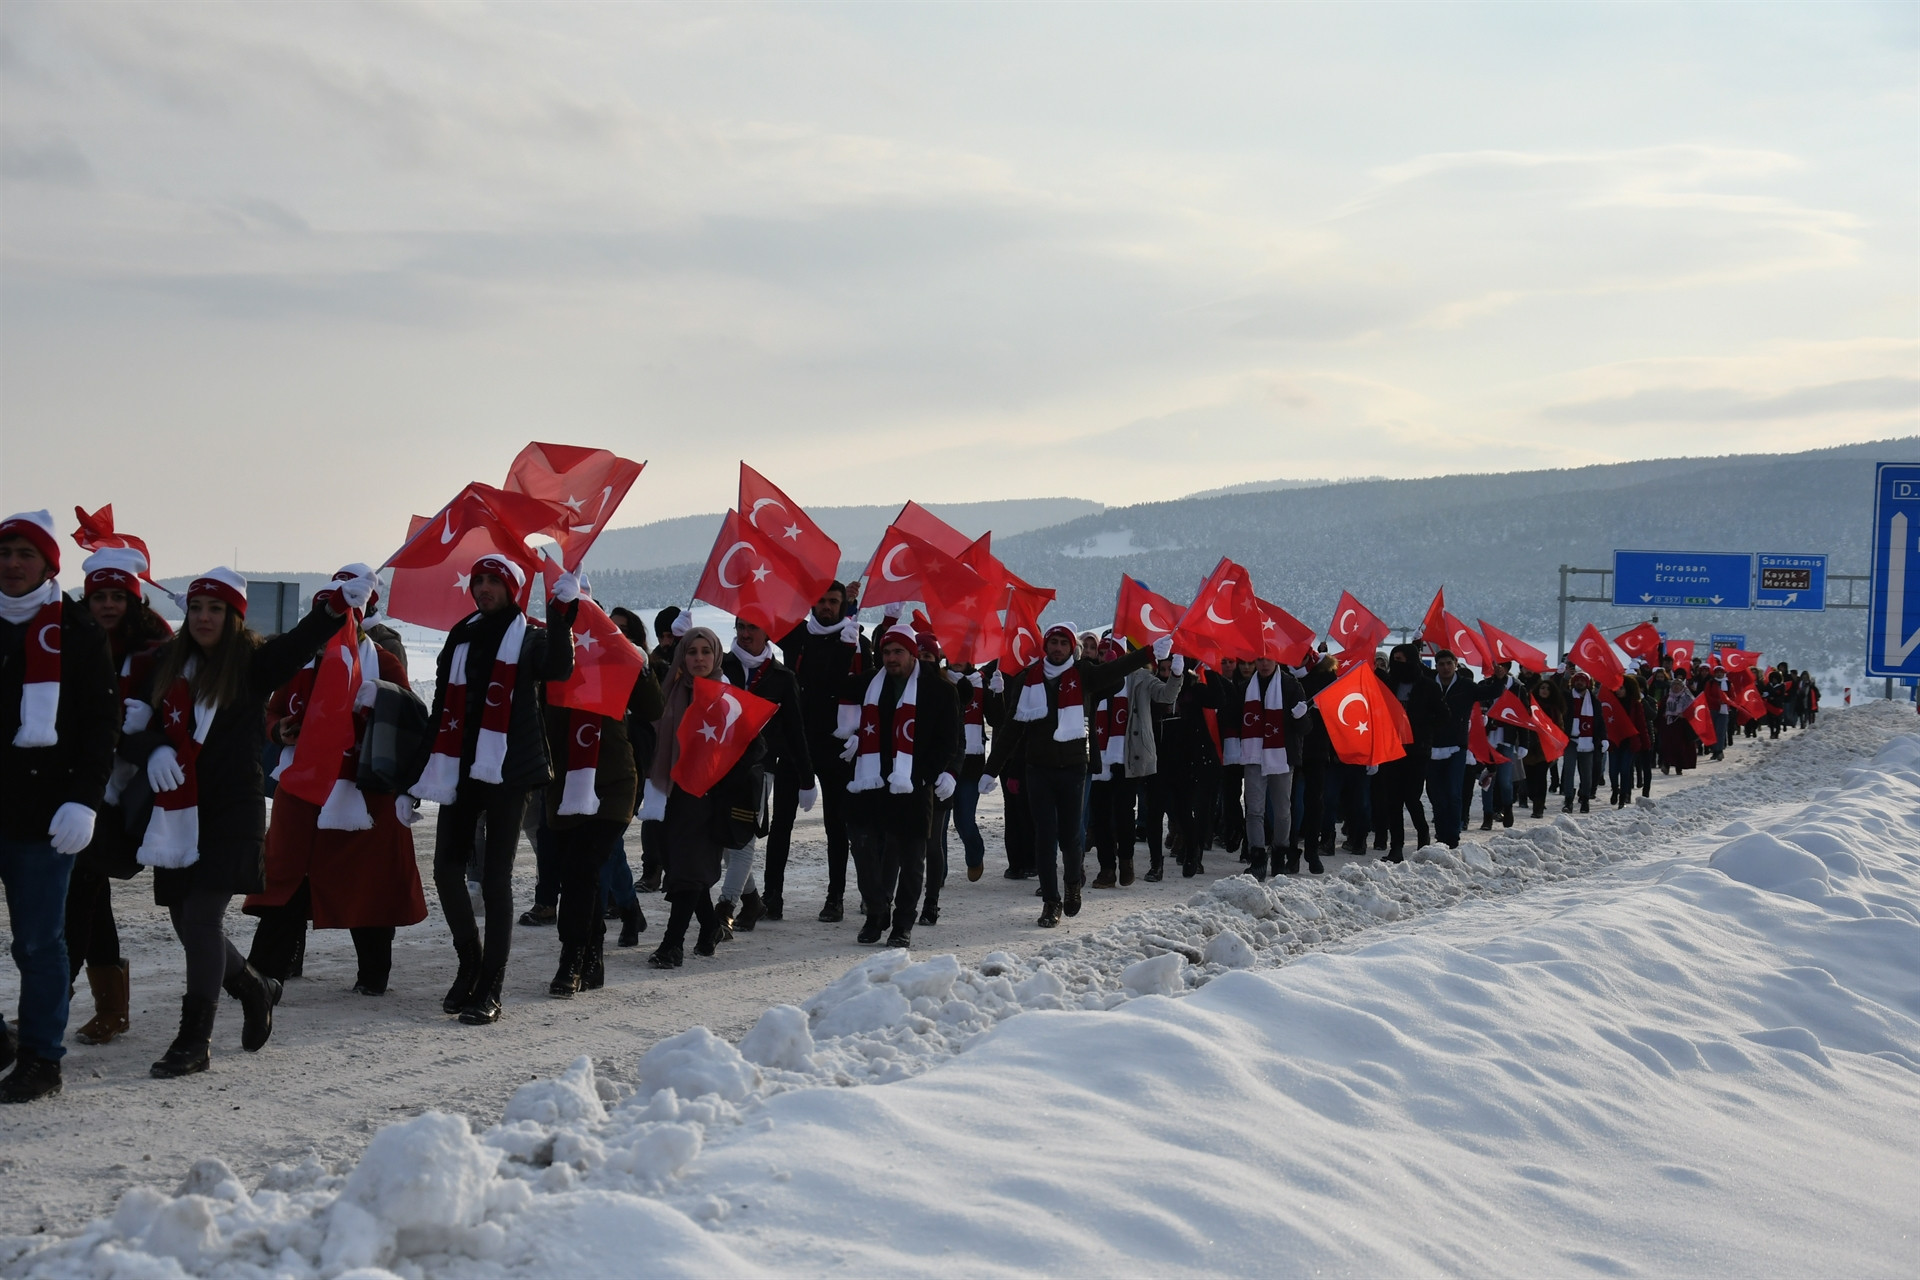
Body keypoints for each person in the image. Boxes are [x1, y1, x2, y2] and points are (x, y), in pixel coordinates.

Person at [121, 565, 352, 1077]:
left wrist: (334, 608)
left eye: (216, 608)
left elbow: (298, 643)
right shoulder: (165, 662)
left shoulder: (251, 662)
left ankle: (193, 1040)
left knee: (202, 919)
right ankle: (253, 985)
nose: (204, 617)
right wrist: (152, 748)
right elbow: (130, 723)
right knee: (185, 922)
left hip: (232, 810)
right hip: (178, 809)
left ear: (234, 615)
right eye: (198, 607)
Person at [406, 555, 578, 1026]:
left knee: (497, 877)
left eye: (492, 582)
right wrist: (416, 776)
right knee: (446, 870)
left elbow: (559, 669)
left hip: (511, 769)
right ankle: (470, 961)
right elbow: (442, 706)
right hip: (458, 766)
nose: (482, 588)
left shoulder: (532, 636)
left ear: (511, 589)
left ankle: (491, 985)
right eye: (477, 581)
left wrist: (564, 614)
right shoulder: (460, 636)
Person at [244, 568, 427, 997]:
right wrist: (278, 731)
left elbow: (413, 722)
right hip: (304, 791)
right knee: (286, 880)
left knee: (370, 886)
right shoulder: (297, 663)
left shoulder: (382, 661)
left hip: (364, 796)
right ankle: (263, 973)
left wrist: (383, 696)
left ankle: (373, 974)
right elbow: (270, 712)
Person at [0, 512, 119, 1102]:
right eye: (5, 552)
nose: (13, 563)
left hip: (45, 814)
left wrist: (83, 801)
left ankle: (42, 1059)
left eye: (26, 553)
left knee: (38, 943)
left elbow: (102, 724)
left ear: (49, 564)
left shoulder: (75, 629)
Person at [64, 546, 172, 1048]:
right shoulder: (71, 643)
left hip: (122, 789)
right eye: (98, 596)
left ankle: (52, 1002)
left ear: (134, 601)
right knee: (89, 897)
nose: (107, 605)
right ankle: (111, 1010)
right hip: (70, 783)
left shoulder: (157, 652)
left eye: (117, 596)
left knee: (80, 896)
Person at [987, 622, 1164, 927]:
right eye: (1053, 643)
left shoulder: (1084, 675)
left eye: (1063, 643)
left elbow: (1116, 668)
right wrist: (991, 770)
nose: (1057, 648)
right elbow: (1011, 729)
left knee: (1070, 836)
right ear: (1046, 646)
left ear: (1072, 648)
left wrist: (1148, 653)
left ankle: (1071, 884)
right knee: (1044, 837)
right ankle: (1050, 901)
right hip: (1038, 769)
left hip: (1073, 768)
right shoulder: (1029, 679)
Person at [541, 588, 659, 997]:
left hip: (611, 781)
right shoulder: (548, 655)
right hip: (563, 782)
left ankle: (571, 959)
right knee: (573, 873)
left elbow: (653, 709)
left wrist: (638, 663)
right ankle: (592, 956)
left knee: (583, 870)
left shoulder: (616, 658)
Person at [641, 626, 764, 968]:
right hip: (670, 792)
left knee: (689, 871)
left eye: (705, 652)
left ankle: (672, 945)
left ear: (716, 656)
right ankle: (709, 926)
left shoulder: (727, 696)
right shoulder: (671, 690)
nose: (698, 658)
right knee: (682, 867)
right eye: (691, 652)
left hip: (709, 797)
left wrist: (722, 770)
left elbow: (754, 747)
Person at [841, 623, 961, 947]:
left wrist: (924, 774)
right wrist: (844, 643)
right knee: (865, 851)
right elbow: (832, 688)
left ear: (912, 655)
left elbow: (949, 741)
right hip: (872, 781)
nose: (891, 658)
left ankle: (902, 923)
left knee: (911, 858)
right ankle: (877, 911)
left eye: (898, 652)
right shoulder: (869, 684)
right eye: (886, 652)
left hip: (912, 784)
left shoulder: (939, 689)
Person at [776, 584, 867, 923]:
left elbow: (864, 686)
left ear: (844, 605)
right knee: (781, 822)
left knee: (837, 826)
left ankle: (836, 897)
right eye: (821, 601)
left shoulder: (856, 639)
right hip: (796, 739)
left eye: (833, 602)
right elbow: (763, 623)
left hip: (837, 743)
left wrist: (859, 732)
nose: (826, 607)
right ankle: (772, 897)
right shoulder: (799, 635)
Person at [717, 616, 814, 933]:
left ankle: (724, 910)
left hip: (760, 771)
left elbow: (796, 729)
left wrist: (806, 777)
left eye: (752, 627)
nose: (745, 634)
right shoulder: (720, 667)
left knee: (742, 842)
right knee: (724, 843)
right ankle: (754, 901)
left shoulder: (782, 677)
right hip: (718, 766)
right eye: (740, 627)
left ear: (766, 632)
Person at [1089, 639, 1179, 887]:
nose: (1107, 656)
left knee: (1123, 813)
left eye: (1112, 651)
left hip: (1128, 755)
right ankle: (1107, 868)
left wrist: (1177, 675)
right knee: (1100, 816)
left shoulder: (1139, 677)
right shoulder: (1093, 677)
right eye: (1102, 652)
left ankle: (1125, 860)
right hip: (1098, 757)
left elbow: (1166, 695)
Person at [1237, 653, 1306, 877]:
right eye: (1259, 659)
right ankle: (1257, 857)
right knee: (1254, 809)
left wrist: (1300, 717)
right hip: (1253, 754)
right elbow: (1235, 718)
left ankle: (1280, 854)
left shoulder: (1290, 685)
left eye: (1268, 659)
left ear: (1276, 660)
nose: (1264, 664)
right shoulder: (1246, 686)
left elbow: (1306, 728)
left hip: (1282, 756)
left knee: (1282, 810)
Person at [1425, 650, 1477, 849]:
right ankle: (1441, 834)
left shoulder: (1465, 686)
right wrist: (1416, 644)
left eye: (1449, 663)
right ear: (1436, 666)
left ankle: (1453, 836)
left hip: (1457, 747)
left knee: (1453, 793)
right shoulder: (1429, 684)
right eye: (1441, 664)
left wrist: (1499, 678)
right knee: (1436, 794)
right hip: (1432, 747)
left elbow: (1490, 692)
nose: (1445, 667)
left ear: (1456, 664)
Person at [1560, 670, 1602, 814]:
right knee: (1569, 771)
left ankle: (1585, 799)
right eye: (1577, 680)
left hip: (1588, 741)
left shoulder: (1594, 702)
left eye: (1582, 680)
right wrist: (1562, 675)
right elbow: (1557, 691)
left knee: (1586, 773)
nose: (1579, 683)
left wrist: (1603, 739)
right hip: (1571, 740)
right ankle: (1568, 800)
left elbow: (1600, 722)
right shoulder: (1566, 698)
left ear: (1588, 683)